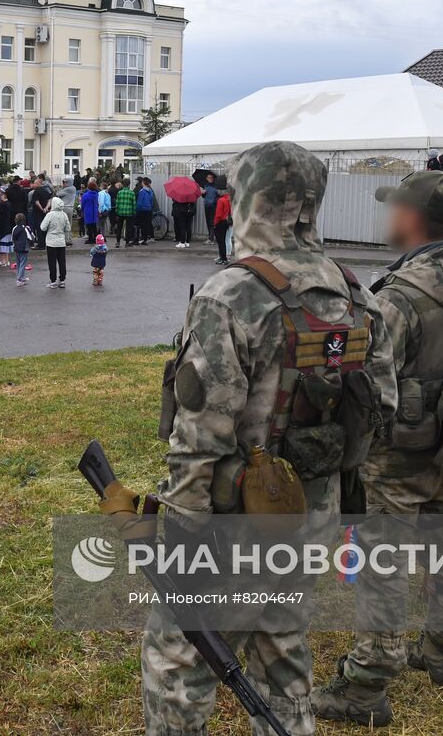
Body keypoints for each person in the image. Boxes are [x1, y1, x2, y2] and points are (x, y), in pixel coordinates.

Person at [141, 140, 396, 734]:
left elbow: (203, 428)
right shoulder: (357, 294)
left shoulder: (231, 295)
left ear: (248, 199)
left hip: (231, 521)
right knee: (282, 637)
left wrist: (181, 524)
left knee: (178, 654)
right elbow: (381, 412)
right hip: (312, 513)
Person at [312, 169, 443, 725]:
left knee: (382, 563)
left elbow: (363, 381)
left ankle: (365, 685)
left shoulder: (399, 298)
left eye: (393, 208)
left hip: (402, 450)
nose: (388, 217)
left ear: (411, 217)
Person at [39, 195, 70, 288]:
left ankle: (53, 281)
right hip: (61, 241)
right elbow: (68, 228)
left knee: (52, 262)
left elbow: (43, 228)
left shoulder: (50, 215)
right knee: (62, 262)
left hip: (51, 242)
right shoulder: (64, 215)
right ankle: (62, 280)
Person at [11, 212, 35, 287]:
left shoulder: (14, 228)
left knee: (18, 263)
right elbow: (30, 237)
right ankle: (20, 279)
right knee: (23, 263)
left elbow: (13, 237)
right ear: (24, 220)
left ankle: (20, 277)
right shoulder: (25, 228)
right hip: (24, 247)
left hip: (16, 247)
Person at [212, 189, 233, 265]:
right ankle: (224, 257)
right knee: (225, 240)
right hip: (227, 221)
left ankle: (223, 258)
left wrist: (215, 223)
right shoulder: (229, 200)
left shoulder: (221, 200)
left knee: (220, 241)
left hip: (221, 222)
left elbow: (218, 214)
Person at [114, 178, 137, 246]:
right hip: (129, 213)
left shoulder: (119, 192)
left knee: (119, 227)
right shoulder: (132, 193)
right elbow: (134, 204)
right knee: (128, 228)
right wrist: (134, 212)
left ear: (123, 184)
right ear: (129, 184)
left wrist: (117, 211)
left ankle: (118, 241)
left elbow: (117, 204)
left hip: (120, 212)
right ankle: (127, 242)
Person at [135, 177, 156, 245]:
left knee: (141, 225)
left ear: (143, 183)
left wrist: (137, 210)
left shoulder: (142, 191)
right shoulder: (150, 191)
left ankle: (142, 239)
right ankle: (145, 239)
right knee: (147, 225)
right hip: (149, 210)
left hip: (142, 210)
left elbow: (139, 203)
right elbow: (151, 201)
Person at [80, 179, 100, 244]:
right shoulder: (96, 195)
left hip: (88, 211)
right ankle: (95, 238)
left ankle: (90, 239)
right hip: (95, 211)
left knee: (89, 226)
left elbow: (82, 204)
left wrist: (82, 210)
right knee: (94, 226)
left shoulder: (85, 195)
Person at [201, 173, 220, 237]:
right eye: (209, 177)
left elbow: (219, 196)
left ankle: (211, 238)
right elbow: (203, 196)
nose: (211, 179)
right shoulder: (205, 186)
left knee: (212, 222)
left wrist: (215, 201)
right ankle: (210, 236)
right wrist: (203, 193)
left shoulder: (216, 186)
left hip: (213, 206)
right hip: (207, 205)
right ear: (206, 178)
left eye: (212, 178)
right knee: (208, 221)